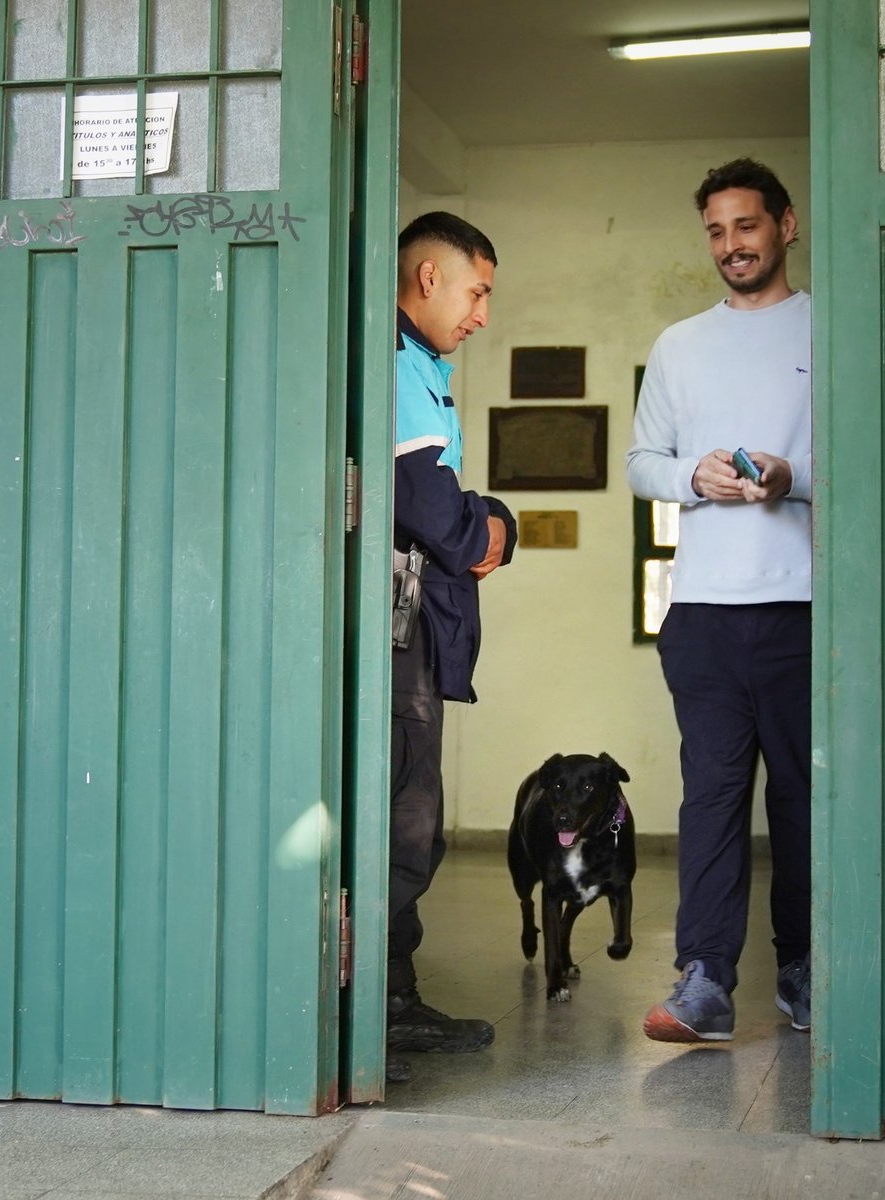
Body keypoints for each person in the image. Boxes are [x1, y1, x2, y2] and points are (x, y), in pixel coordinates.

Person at [626, 159, 813, 1043]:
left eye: (746, 226)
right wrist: (693, 477)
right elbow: (640, 465)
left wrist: (793, 476)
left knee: (807, 803)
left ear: (785, 225)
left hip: (809, 606)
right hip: (702, 613)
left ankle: (806, 968)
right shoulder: (678, 345)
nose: (731, 246)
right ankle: (704, 981)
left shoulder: (833, 328)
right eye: (715, 231)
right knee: (711, 799)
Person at [387, 212, 516, 1080]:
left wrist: (483, 523)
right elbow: (436, 515)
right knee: (404, 822)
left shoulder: (421, 366)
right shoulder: (398, 365)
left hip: (412, 627)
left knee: (412, 823)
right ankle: (372, 1015)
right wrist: (494, 525)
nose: (481, 315)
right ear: (429, 279)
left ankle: (391, 1003)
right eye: (477, 293)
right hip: (394, 632)